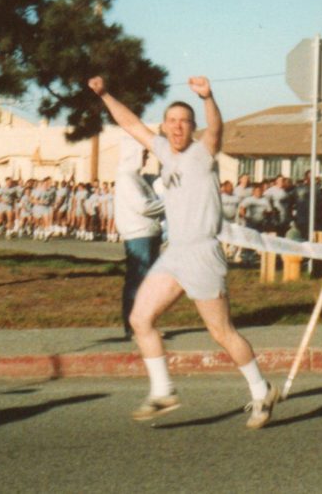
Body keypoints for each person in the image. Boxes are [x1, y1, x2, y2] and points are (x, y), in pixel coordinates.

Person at [89, 75, 279, 429]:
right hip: (174, 253)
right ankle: (163, 391)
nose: (178, 127)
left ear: (193, 128)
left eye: (185, 122)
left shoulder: (203, 153)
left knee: (222, 333)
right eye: (172, 121)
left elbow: (217, 130)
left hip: (203, 254)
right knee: (139, 319)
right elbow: (129, 122)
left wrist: (209, 98)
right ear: (164, 127)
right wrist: (105, 95)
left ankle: (261, 389)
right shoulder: (161, 149)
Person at [114, 138, 165, 339]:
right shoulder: (126, 177)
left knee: (149, 283)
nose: (145, 157)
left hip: (149, 232)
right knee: (137, 281)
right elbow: (143, 206)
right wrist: (169, 203)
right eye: (143, 154)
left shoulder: (137, 177)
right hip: (138, 234)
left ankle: (145, 324)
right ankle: (132, 326)